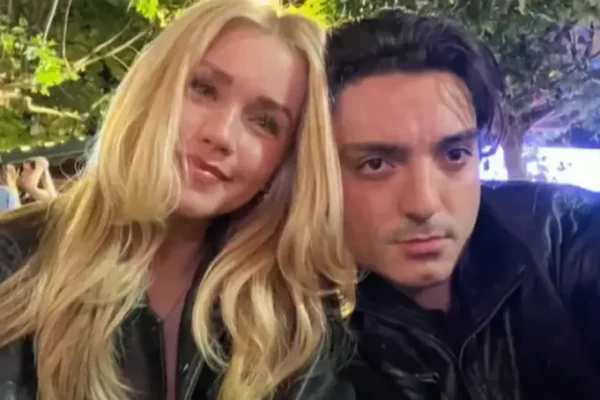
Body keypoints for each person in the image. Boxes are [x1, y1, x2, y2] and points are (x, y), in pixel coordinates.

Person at [0, 1, 357, 399]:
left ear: (285, 162)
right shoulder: (14, 260)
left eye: (264, 122)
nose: (221, 134)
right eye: (203, 89)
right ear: (152, 89)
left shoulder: (296, 315)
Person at [326, 9, 600, 400]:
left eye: (454, 154)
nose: (424, 203)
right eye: (376, 164)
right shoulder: (296, 331)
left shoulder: (561, 234)